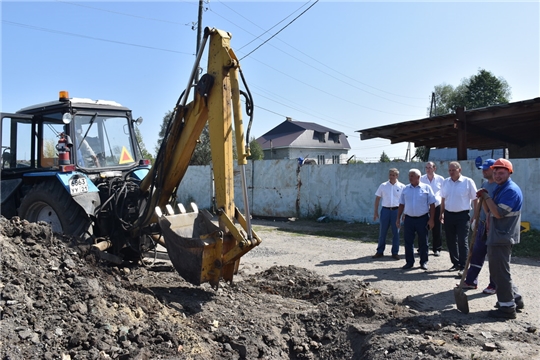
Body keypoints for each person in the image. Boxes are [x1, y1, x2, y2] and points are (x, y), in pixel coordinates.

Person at [477, 159, 524, 319]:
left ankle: (507, 308)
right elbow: (489, 211)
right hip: (497, 234)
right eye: (495, 172)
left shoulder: (510, 190)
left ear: (509, 172)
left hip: (502, 236)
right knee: (500, 272)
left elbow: (498, 213)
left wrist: (486, 197)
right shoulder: (500, 188)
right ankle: (515, 298)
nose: (497, 175)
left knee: (499, 273)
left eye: (501, 172)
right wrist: (484, 199)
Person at [462, 159, 497, 293]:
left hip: (493, 226)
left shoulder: (499, 186)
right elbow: (481, 202)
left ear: (494, 169)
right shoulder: (484, 184)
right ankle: (471, 281)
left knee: (493, 257)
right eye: (483, 169)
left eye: (486, 169)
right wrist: (475, 217)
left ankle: (493, 284)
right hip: (482, 224)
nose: (483, 171)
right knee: (476, 253)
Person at [440, 161, 478, 276]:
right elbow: (443, 199)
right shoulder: (446, 182)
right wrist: (441, 213)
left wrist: (475, 215)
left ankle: (464, 266)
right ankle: (455, 263)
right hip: (448, 214)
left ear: (459, 170)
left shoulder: (468, 182)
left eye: (453, 170)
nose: (451, 172)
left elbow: (475, 199)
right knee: (451, 241)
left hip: (462, 216)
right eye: (449, 170)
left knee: (462, 240)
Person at [396, 169, 436, 270]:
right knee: (408, 241)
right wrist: (398, 218)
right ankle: (409, 262)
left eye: (412, 176)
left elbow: (432, 204)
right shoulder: (405, 189)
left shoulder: (426, 188)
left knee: (423, 241)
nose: (410, 178)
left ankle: (423, 262)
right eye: (409, 176)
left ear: (418, 177)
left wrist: (431, 219)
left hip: (422, 219)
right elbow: (401, 204)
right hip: (409, 219)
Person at [372, 168, 406, 260]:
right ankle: (380, 251)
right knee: (382, 232)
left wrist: (404, 213)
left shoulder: (402, 186)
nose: (392, 176)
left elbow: (405, 201)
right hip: (385, 211)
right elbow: (377, 199)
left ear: (397, 176)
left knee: (396, 232)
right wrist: (375, 212)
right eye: (390, 174)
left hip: (397, 211)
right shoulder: (383, 186)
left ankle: (395, 252)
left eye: (394, 175)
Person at [420, 161, 444, 256]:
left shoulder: (440, 179)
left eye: (430, 167)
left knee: (437, 227)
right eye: (426, 168)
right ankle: (422, 247)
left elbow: (443, 193)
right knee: (422, 227)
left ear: (434, 168)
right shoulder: (421, 178)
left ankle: (437, 248)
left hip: (437, 205)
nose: (428, 169)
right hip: (424, 206)